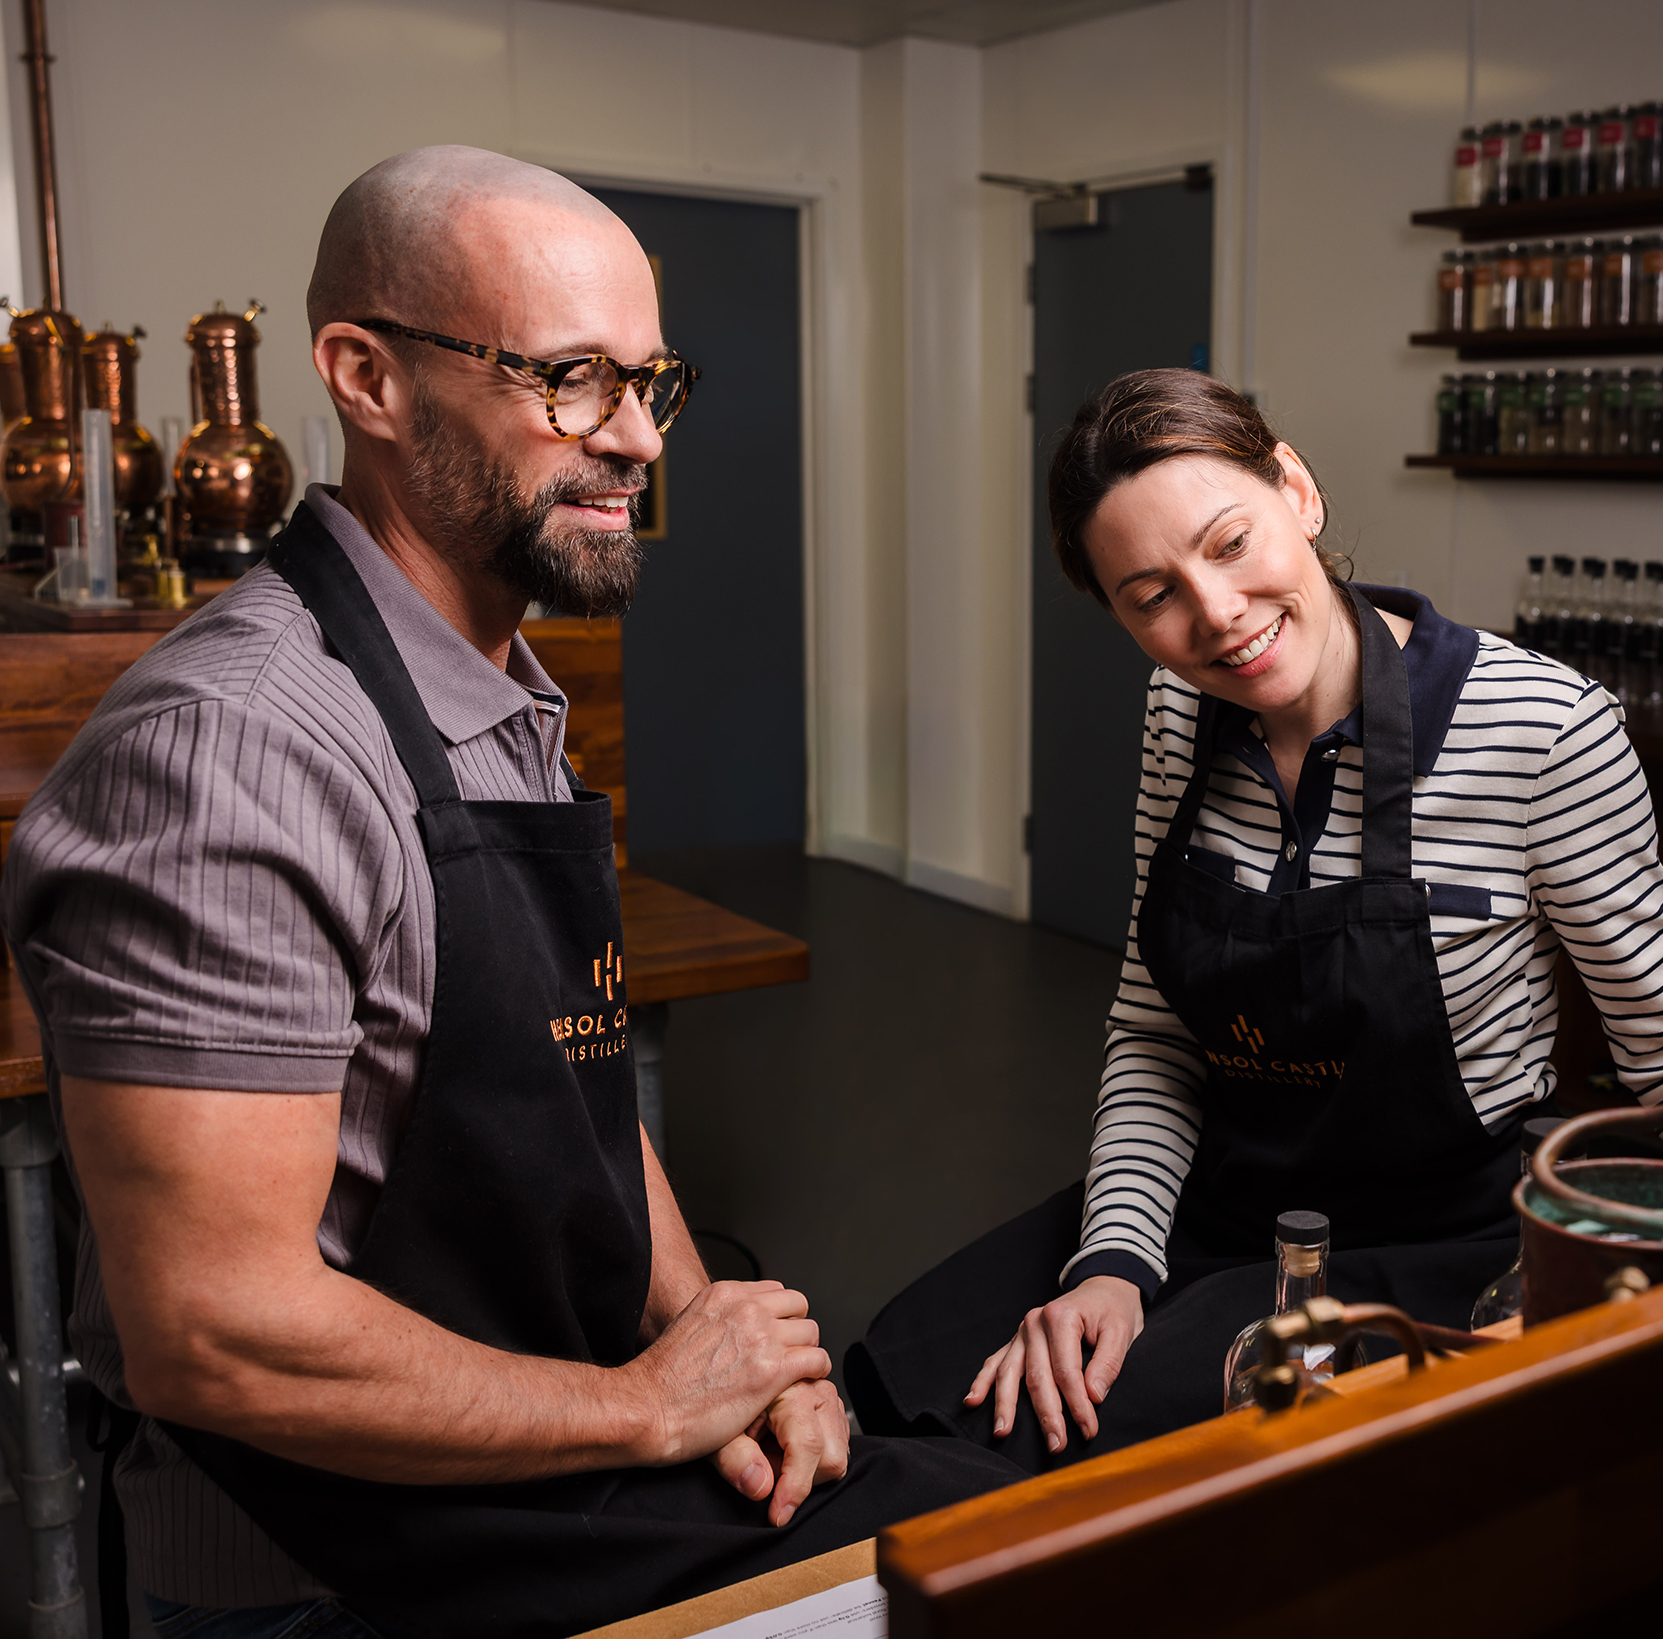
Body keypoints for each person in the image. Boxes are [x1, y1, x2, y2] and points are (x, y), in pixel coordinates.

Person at [0, 147, 1014, 1639]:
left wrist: (707, 1330)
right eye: (570, 381)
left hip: (555, 1460)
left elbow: (577, 1070)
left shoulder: (499, 690)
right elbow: (214, 1335)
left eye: (649, 384)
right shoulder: (231, 755)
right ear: (367, 377)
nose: (634, 441)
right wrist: (647, 1403)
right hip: (339, 1572)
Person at [847, 369, 1663, 1472]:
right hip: (1218, 1199)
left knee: (1045, 1445)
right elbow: (1154, 1031)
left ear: (1297, 490)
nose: (1215, 615)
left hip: (1426, 1244)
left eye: (1230, 543)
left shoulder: (1542, 727)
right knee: (897, 1368)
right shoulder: (1183, 713)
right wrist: (1115, 1265)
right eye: (1152, 596)